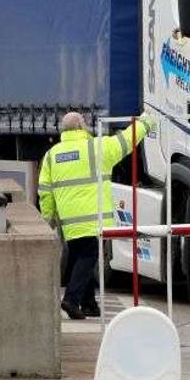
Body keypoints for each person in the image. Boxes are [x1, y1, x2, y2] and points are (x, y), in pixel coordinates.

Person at [38, 111, 156, 320]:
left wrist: (49, 218)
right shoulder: (96, 148)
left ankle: (89, 303)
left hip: (69, 222)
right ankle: (72, 300)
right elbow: (127, 139)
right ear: (81, 127)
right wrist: (146, 122)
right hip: (92, 219)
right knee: (88, 255)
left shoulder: (51, 155)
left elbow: (45, 191)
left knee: (77, 256)